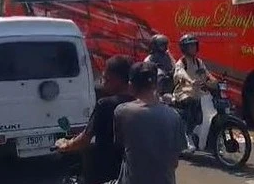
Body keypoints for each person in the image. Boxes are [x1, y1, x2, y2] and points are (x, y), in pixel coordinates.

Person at [55, 55, 135, 184]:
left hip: (108, 172)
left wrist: (65, 145)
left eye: (105, 77)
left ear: (115, 79)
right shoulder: (140, 102)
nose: (103, 81)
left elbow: (85, 139)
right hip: (134, 170)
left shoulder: (106, 105)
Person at [113, 61, 187, 184]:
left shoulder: (122, 111)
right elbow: (175, 161)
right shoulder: (174, 116)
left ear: (130, 85)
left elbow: (120, 144)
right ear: (156, 86)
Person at [172, 34, 218, 153]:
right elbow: (180, 73)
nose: (192, 48)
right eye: (189, 46)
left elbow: (207, 73)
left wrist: (213, 80)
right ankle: (187, 136)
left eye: (193, 45)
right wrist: (190, 80)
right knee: (191, 103)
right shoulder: (181, 62)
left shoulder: (198, 62)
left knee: (202, 114)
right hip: (183, 93)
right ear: (184, 48)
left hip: (197, 93)